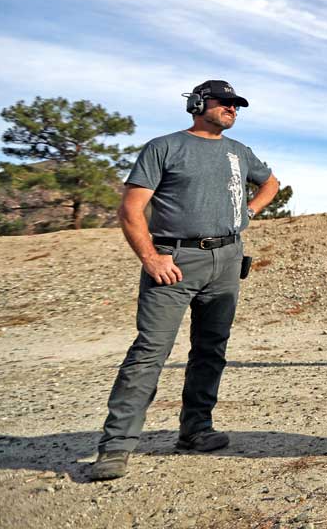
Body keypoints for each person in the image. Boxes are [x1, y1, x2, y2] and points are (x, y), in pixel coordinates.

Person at [90, 80, 279, 481]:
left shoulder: (238, 152)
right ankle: (116, 446)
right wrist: (151, 258)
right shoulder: (164, 147)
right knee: (149, 352)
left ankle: (196, 430)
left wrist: (251, 210)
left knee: (211, 350)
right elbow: (130, 209)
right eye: (224, 102)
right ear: (197, 104)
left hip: (227, 259)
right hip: (174, 260)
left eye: (236, 105)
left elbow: (271, 182)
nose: (232, 109)